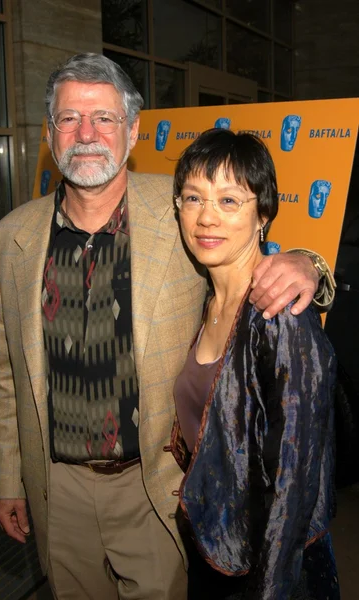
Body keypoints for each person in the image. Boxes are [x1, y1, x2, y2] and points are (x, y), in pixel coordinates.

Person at [0, 53, 335, 600]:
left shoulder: (180, 213)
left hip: (157, 488)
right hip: (57, 486)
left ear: (133, 129)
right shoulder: (5, 241)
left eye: (104, 118)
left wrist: (308, 262)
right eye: (69, 118)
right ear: (50, 132)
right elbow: (3, 378)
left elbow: (243, 240)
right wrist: (8, 481)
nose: (87, 134)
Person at [170, 128, 340, 600]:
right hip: (216, 546)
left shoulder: (279, 318)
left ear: (262, 213)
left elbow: (293, 487)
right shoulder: (207, 298)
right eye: (193, 198)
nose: (206, 218)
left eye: (229, 201)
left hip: (271, 569)